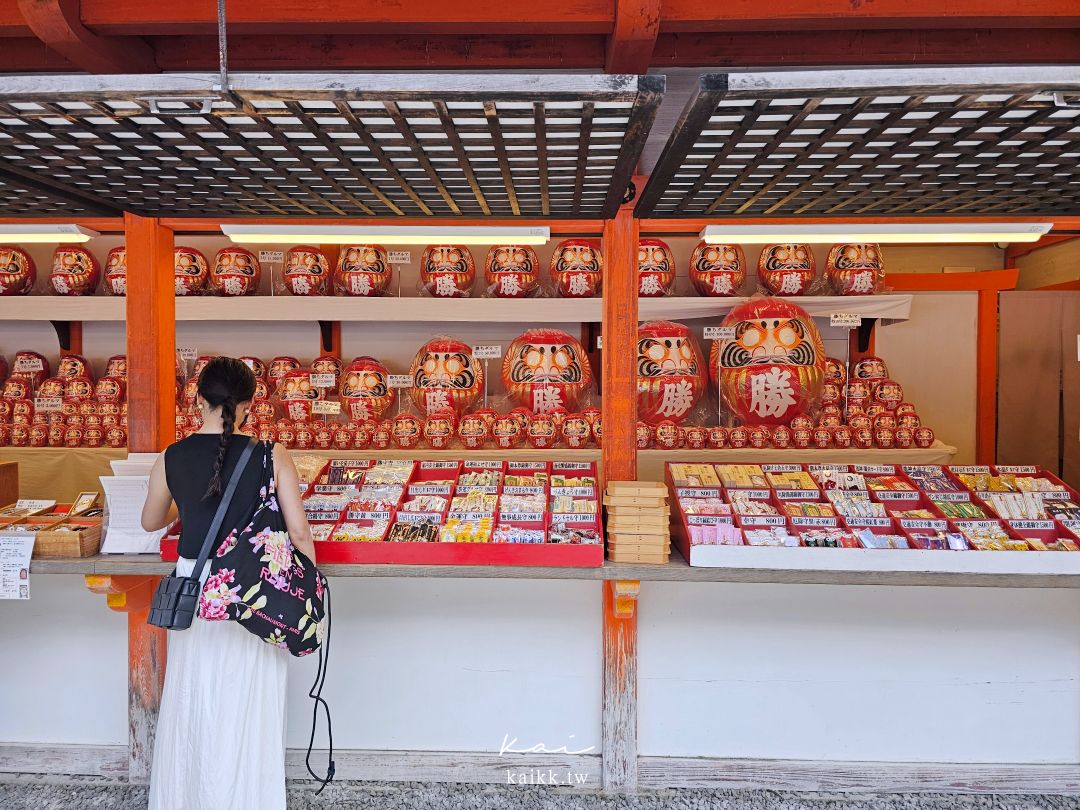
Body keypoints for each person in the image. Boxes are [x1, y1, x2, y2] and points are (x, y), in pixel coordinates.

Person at [141, 356, 315, 810]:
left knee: (194, 699)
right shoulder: (269, 454)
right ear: (249, 406)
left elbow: (149, 521)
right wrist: (310, 584)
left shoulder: (172, 456)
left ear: (197, 399)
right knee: (249, 705)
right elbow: (298, 531)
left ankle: (189, 798)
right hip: (253, 591)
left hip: (196, 591)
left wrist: (189, 501)